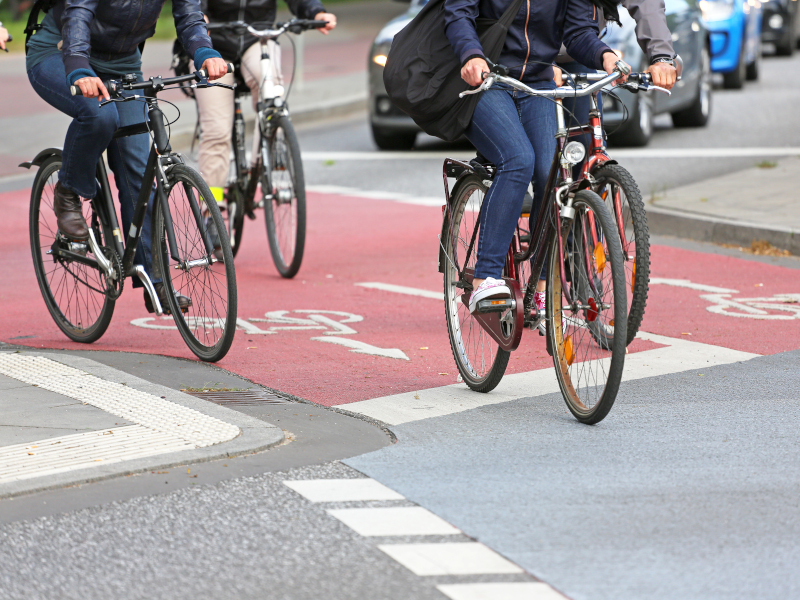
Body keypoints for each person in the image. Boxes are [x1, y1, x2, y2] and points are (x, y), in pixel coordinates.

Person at [26, 0, 228, 314]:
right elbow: (77, 14)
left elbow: (189, 15)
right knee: (99, 118)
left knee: (138, 169)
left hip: (122, 63)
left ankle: (155, 280)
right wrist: (79, 66)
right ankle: (68, 191)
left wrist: (204, 51)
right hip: (61, 51)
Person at [444, 0, 628, 313]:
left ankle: (543, 287)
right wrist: (471, 54)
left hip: (537, 83)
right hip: (487, 80)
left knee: (552, 175)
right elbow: (458, 12)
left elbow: (579, 32)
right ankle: (485, 278)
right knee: (517, 159)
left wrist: (605, 55)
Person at [194, 0, 336, 212]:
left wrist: (316, 13)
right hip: (213, 43)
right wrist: (199, 19)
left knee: (270, 89)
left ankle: (264, 153)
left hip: (258, 38)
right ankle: (211, 209)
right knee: (217, 130)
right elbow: (191, 5)